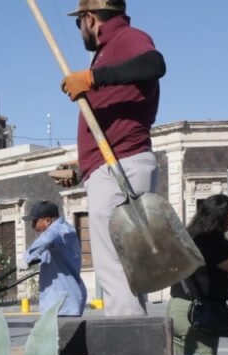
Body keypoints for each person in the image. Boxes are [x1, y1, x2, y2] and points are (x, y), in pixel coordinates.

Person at [56, 0, 166, 317]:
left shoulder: (126, 38)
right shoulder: (108, 51)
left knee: (115, 268)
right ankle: (136, 345)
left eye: (80, 24)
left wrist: (93, 78)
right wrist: (82, 165)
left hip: (119, 167)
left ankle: (129, 351)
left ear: (89, 19)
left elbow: (154, 65)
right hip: (115, 163)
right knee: (126, 270)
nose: (80, 32)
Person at [167, 194, 228, 355]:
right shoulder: (213, 243)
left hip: (177, 307)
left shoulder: (186, 237)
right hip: (198, 314)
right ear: (226, 218)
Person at [23, 200, 87, 316]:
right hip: (60, 300)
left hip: (63, 302)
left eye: (35, 221)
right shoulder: (61, 231)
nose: (33, 227)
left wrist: (27, 258)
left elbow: (47, 239)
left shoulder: (59, 230)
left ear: (48, 221)